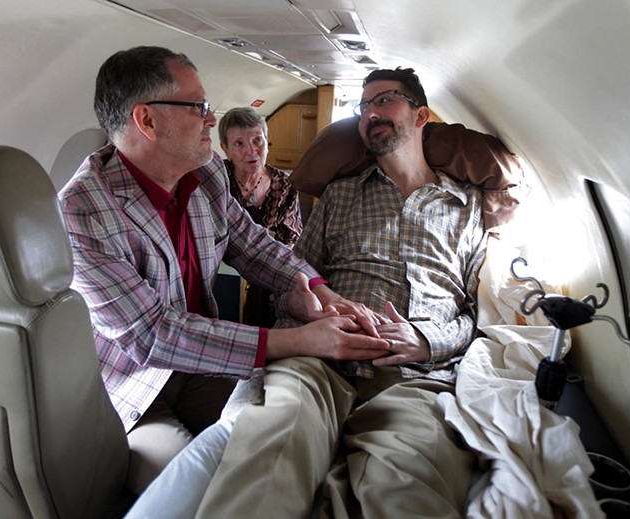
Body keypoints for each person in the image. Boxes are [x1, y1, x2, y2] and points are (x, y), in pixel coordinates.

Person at [57, 45, 391, 495]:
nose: (211, 119)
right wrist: (293, 340)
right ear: (147, 121)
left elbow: (252, 244)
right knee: (200, 486)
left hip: (200, 367)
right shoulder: (83, 209)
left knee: (277, 438)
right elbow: (153, 335)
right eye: (199, 107)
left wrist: (318, 289)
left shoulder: (208, 171)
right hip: (136, 388)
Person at [187, 67, 496, 519]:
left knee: (405, 484)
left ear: (421, 114)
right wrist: (299, 305)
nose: (370, 113)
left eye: (385, 100)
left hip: (411, 377)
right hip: (318, 361)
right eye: (363, 106)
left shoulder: (465, 208)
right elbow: (291, 282)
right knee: (270, 456)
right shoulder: (341, 195)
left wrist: (426, 341)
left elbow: (472, 316)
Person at [218, 107, 302, 327]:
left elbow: (291, 237)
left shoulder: (285, 185)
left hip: (268, 267)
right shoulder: (217, 178)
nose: (251, 151)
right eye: (239, 144)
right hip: (223, 267)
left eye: (258, 140)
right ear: (224, 148)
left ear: (267, 141)